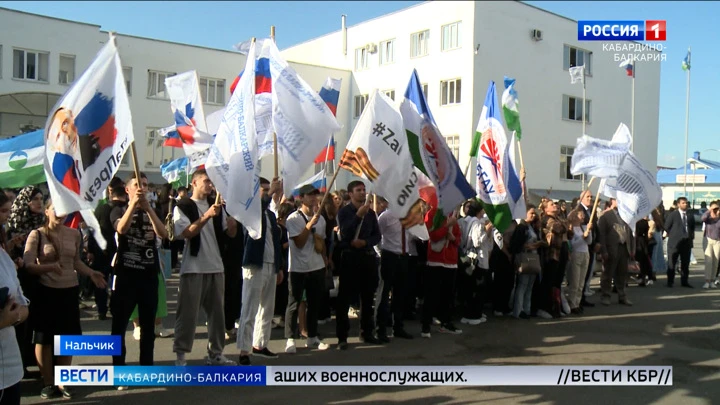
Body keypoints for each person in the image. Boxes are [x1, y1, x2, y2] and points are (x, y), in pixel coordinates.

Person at [23, 199, 107, 399]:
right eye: (55, 209)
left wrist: (91, 273)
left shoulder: (74, 233)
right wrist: (48, 268)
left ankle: (63, 381)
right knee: (44, 339)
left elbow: (76, 261)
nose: (60, 213)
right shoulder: (37, 235)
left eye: (64, 209)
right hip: (46, 292)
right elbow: (28, 265)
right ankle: (48, 382)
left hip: (69, 291)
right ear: (46, 211)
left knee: (66, 339)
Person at [173, 169, 238, 366]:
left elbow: (231, 234)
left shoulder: (217, 205)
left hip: (216, 266)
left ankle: (215, 353)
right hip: (194, 267)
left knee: (218, 315)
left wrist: (233, 222)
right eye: (206, 181)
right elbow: (186, 233)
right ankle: (181, 354)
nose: (210, 185)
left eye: (212, 182)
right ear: (193, 183)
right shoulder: (183, 206)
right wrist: (208, 215)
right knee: (188, 314)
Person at [110, 172, 169, 371]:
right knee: (118, 327)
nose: (141, 188)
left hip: (148, 275)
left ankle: (146, 367)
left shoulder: (153, 210)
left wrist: (148, 210)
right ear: (128, 190)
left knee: (147, 327)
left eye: (145, 184)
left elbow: (163, 233)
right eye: (137, 184)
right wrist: (133, 206)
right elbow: (122, 229)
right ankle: (119, 368)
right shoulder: (117, 210)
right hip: (126, 275)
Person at [237, 177, 283, 365]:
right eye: (263, 190)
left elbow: (276, 243)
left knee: (267, 309)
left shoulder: (270, 215)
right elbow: (258, 209)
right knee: (250, 308)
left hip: (270, 265)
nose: (267, 192)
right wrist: (271, 193)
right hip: (254, 265)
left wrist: (279, 267)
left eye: (267, 189)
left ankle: (260, 344)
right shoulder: (249, 210)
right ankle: (244, 350)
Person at [284, 185, 331, 353]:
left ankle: (312, 337)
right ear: (301, 198)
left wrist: (325, 261)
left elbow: (322, 242)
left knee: (314, 303)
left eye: (315, 195)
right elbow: (299, 242)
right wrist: (310, 224)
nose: (313, 198)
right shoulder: (293, 219)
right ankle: (290, 338)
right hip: (298, 268)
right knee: (294, 303)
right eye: (309, 195)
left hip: (316, 266)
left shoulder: (322, 220)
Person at [335, 181, 382, 349]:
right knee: (344, 299)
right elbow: (345, 233)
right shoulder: (344, 212)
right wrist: (358, 216)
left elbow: (377, 235)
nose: (362, 193)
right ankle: (342, 337)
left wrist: (365, 242)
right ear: (350, 193)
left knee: (368, 297)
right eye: (358, 190)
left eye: (364, 190)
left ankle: (367, 332)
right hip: (350, 258)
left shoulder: (371, 213)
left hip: (367, 257)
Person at [0, 191, 30, 405]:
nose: (6, 217)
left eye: (8, 212)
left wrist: (17, 315)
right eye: (2, 211)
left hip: (10, 369)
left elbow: (23, 303)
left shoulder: (3, 257)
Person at [421, 204, 462, 337]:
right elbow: (432, 235)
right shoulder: (433, 214)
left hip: (451, 262)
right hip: (435, 260)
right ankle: (425, 326)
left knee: (448, 296)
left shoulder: (454, 216)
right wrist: (446, 227)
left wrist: (453, 238)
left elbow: (458, 238)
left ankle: (446, 322)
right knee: (431, 295)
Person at [376, 205, 415, 340]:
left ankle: (398, 327)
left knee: (400, 293)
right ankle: (380, 329)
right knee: (384, 294)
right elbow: (377, 236)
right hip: (389, 256)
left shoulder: (409, 216)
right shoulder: (386, 216)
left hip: (403, 256)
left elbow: (412, 235)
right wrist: (381, 252)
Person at [92, 177, 126, 320]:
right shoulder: (127, 209)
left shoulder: (101, 208)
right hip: (120, 251)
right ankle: (115, 307)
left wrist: (91, 249)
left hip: (102, 250)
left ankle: (101, 309)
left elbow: (93, 229)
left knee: (101, 281)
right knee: (118, 282)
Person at [458, 201, 492, 325]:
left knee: (469, 287)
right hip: (478, 259)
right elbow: (477, 241)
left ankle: (472, 313)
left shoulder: (463, 221)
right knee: (477, 288)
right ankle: (472, 315)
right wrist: (487, 230)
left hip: (467, 257)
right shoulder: (476, 223)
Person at [597, 198, 635, 306]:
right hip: (611, 248)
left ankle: (622, 295)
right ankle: (606, 295)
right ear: (612, 201)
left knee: (622, 273)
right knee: (608, 273)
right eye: (618, 199)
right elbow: (602, 235)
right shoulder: (605, 216)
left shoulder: (626, 215)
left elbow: (631, 233)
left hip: (624, 247)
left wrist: (632, 249)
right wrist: (603, 250)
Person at [510, 205, 544, 319]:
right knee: (522, 285)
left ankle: (527, 308)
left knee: (530, 285)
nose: (533, 216)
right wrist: (530, 246)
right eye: (531, 213)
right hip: (524, 257)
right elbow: (516, 244)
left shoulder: (531, 227)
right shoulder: (521, 227)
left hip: (533, 257)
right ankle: (518, 310)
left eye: (534, 214)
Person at [665, 197, 695, 288]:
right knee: (672, 263)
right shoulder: (673, 214)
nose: (685, 204)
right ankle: (670, 282)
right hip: (675, 243)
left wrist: (690, 236)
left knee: (685, 263)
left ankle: (684, 281)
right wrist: (674, 235)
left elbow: (692, 227)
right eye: (683, 203)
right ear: (678, 204)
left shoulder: (690, 215)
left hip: (686, 242)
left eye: (686, 203)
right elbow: (666, 226)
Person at [566, 209, 592, 313]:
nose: (583, 217)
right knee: (575, 282)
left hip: (585, 254)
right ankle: (572, 304)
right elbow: (573, 245)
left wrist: (588, 232)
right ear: (575, 216)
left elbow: (589, 242)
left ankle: (578, 302)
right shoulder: (571, 228)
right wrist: (583, 236)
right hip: (576, 254)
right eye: (581, 215)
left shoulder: (583, 227)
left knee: (581, 282)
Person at [702, 201, 720, 289]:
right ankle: (707, 280)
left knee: (716, 261)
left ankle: (712, 280)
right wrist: (710, 210)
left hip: (718, 241)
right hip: (708, 240)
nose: (716, 210)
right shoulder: (708, 217)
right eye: (714, 208)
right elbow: (703, 218)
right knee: (708, 261)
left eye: (717, 208)